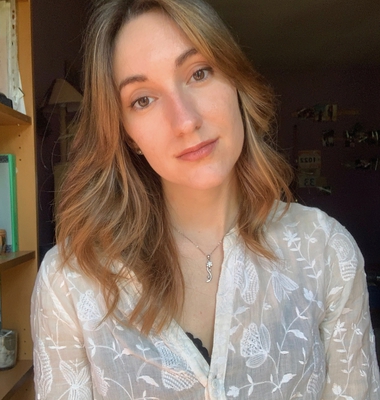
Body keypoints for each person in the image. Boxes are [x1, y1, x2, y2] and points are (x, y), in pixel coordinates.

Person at [31, 0, 380, 398]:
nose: (185, 120)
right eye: (143, 99)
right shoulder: (70, 283)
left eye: (199, 73)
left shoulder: (327, 253)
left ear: (235, 82)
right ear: (127, 133)